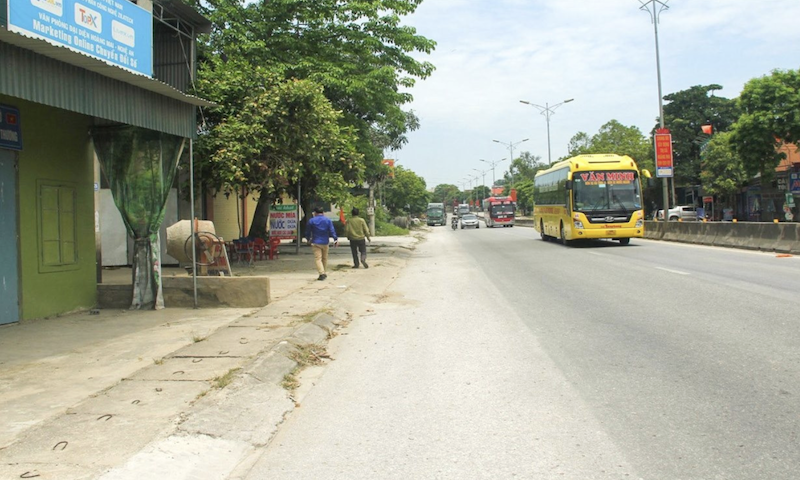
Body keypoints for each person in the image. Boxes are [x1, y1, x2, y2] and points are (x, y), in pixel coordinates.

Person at [305, 206, 338, 280]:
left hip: (315, 242)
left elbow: (307, 231)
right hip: (325, 242)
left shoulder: (311, 221)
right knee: (325, 258)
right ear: (323, 213)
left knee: (318, 258)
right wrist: (335, 239)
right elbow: (332, 230)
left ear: (315, 213)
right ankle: (324, 272)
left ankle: (321, 273)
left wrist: (308, 239)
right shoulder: (328, 220)